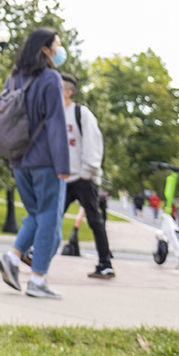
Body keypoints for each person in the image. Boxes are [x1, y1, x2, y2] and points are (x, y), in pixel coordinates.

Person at [0, 27, 71, 300]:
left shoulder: (14, 79)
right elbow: (56, 124)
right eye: (57, 44)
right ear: (45, 49)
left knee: (36, 215)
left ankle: (13, 258)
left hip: (19, 159)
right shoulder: (51, 78)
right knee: (49, 219)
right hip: (46, 161)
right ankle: (37, 279)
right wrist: (64, 165)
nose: (61, 49)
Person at [60, 73, 115, 278]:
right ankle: (35, 253)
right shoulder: (55, 114)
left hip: (84, 179)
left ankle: (105, 263)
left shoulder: (81, 113)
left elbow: (93, 144)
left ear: (68, 92)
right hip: (64, 179)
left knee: (94, 220)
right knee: (52, 217)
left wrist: (87, 173)